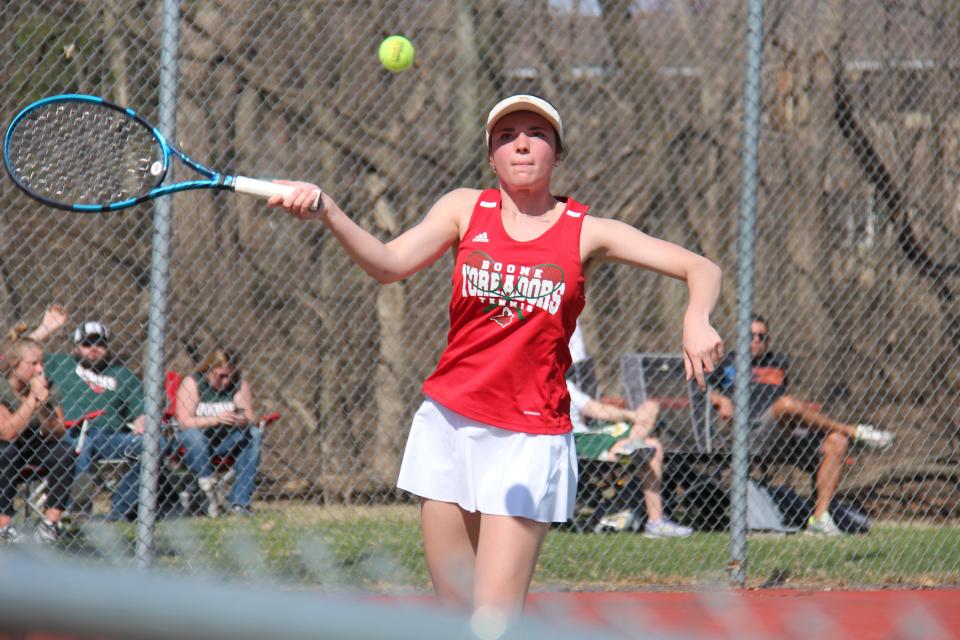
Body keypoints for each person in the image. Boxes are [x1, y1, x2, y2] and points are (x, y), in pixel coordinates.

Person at [270, 94, 723, 620]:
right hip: (449, 424)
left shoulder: (586, 231)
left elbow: (702, 268)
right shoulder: (465, 208)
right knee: (454, 614)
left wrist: (696, 319)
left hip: (528, 437)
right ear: (491, 157)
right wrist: (328, 210)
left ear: (557, 151)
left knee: (491, 621)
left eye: (536, 133)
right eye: (507, 136)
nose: (522, 143)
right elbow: (389, 263)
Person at [709, 314, 894, 536]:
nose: (756, 340)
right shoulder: (727, 362)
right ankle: (851, 429)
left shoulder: (778, 363)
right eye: (750, 335)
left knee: (837, 442)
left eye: (761, 336)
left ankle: (819, 519)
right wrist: (718, 400)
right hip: (750, 432)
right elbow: (695, 387)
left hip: (787, 434)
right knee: (787, 404)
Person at [40, 317, 146, 521]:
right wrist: (45, 328)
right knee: (81, 446)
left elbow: (140, 412)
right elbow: (17, 352)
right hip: (72, 434)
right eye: (87, 343)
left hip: (111, 438)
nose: (94, 348)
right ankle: (78, 512)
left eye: (100, 343)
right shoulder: (61, 363)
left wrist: (143, 422)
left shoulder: (123, 375)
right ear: (76, 347)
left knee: (153, 445)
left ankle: (119, 512)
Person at [567, 377, 693, 538]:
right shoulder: (546, 380)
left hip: (600, 434)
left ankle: (656, 522)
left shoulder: (565, 381)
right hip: (580, 439)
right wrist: (630, 415)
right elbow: (594, 410)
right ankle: (628, 447)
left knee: (652, 427)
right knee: (651, 445)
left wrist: (631, 416)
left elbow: (595, 408)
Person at [0, 328, 74, 543]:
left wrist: (42, 406)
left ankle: (49, 525)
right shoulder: (3, 387)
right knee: (7, 451)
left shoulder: (48, 387)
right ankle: (3, 525)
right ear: (15, 364)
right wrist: (32, 400)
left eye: (41, 363)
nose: (40, 369)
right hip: (6, 449)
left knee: (65, 451)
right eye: (33, 364)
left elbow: (59, 430)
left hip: (35, 444)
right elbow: (7, 433)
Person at [173, 348, 262, 517]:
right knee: (193, 435)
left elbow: (250, 417)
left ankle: (239, 503)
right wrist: (215, 419)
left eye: (229, 375)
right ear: (208, 370)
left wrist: (242, 420)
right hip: (194, 445)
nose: (226, 381)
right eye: (220, 376)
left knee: (254, 434)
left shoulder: (238, 384)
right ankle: (208, 492)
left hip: (224, 443)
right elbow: (184, 422)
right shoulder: (193, 383)